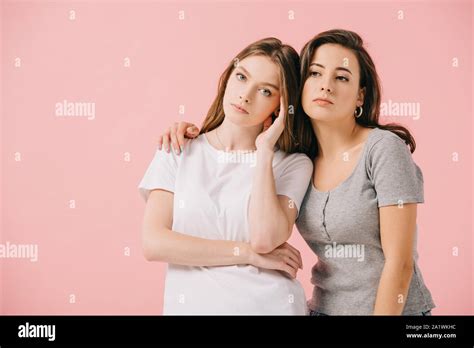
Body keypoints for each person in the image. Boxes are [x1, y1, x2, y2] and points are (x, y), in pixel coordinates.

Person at [157, 29, 436, 316]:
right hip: (321, 310)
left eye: (341, 77)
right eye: (315, 74)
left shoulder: (383, 150)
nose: (325, 86)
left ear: (360, 96)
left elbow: (400, 264)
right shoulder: (303, 159)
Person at [138, 38, 313, 315]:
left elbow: (265, 239)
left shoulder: (292, 164)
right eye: (241, 77)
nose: (246, 95)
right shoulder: (177, 149)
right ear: (228, 77)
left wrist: (265, 151)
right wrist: (246, 254)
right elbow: (154, 243)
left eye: (266, 91)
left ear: (281, 106)